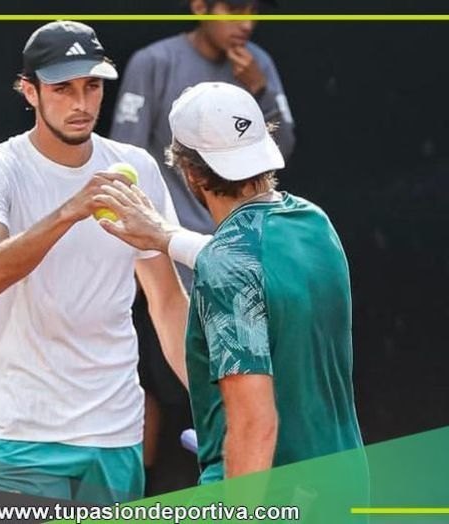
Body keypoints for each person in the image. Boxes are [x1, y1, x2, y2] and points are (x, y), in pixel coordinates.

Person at [0, 21, 188, 504]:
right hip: (23, 434)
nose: (81, 103)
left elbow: (167, 301)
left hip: (114, 434)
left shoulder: (137, 167)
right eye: (62, 89)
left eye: (92, 86)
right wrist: (71, 209)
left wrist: (217, 403)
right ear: (29, 91)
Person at [94, 82, 364, 485]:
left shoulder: (226, 269)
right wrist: (166, 236)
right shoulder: (313, 223)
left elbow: (255, 424)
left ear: (189, 171)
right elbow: (249, 260)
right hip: (344, 484)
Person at [109, 0, 296, 490]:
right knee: (153, 385)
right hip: (166, 261)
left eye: (253, 10)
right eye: (234, 8)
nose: (246, 23)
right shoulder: (155, 62)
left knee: (238, 392)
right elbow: (123, 155)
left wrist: (260, 91)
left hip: (234, 265)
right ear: (200, 7)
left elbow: (284, 145)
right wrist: (150, 244)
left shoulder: (259, 64)